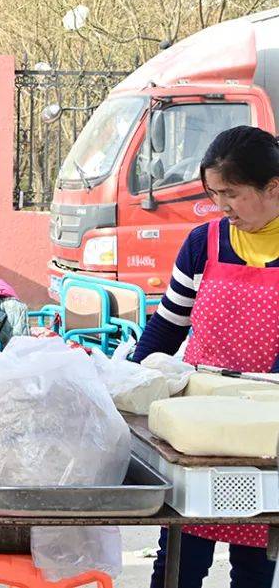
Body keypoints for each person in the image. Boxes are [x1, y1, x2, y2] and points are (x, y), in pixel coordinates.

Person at [132, 126, 279, 588]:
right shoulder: (203, 243)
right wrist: (129, 380)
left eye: (231, 194)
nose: (222, 207)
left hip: (264, 441)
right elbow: (168, 324)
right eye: (215, 194)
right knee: (178, 560)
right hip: (197, 437)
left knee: (255, 565)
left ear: (273, 187)